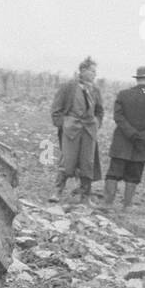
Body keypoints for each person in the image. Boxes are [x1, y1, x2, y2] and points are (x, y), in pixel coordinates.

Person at [102, 65, 145, 210]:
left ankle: (107, 203)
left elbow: (118, 117)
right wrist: (142, 136)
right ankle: (127, 205)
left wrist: (131, 133)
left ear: (137, 79)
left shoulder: (123, 95)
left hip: (122, 141)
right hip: (142, 144)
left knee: (113, 173)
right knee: (134, 175)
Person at [49, 57, 103, 203]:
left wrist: (96, 123)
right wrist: (63, 124)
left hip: (89, 130)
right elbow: (56, 109)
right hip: (71, 129)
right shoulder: (68, 87)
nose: (94, 74)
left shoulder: (95, 90)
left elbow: (99, 111)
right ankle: (57, 192)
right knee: (67, 160)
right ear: (83, 71)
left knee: (87, 162)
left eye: (95, 72)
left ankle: (85, 196)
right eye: (92, 71)